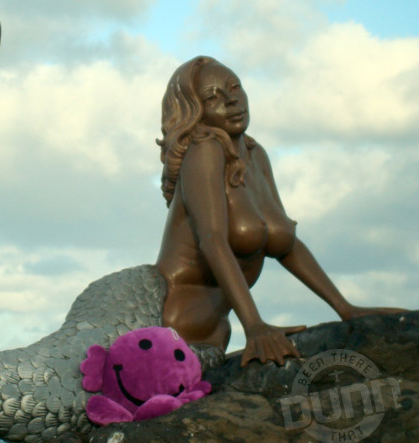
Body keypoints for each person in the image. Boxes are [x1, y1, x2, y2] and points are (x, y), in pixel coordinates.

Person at [155, 56, 404, 367]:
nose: (231, 100)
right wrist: (255, 326)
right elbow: (212, 240)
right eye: (212, 97)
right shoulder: (204, 150)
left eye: (235, 87)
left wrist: (346, 308)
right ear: (196, 112)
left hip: (217, 329)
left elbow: (286, 244)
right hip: (176, 325)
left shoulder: (255, 154)